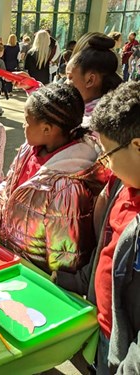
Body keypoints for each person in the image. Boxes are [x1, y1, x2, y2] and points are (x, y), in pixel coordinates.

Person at [54, 81, 140, 374]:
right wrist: (72, 281)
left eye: (107, 154)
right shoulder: (122, 185)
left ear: (137, 145)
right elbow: (106, 251)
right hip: (104, 329)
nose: (104, 164)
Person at [0, 83, 109, 273]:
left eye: (27, 121)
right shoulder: (28, 150)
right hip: (10, 261)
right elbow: (8, 184)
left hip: (33, 276)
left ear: (47, 129)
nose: (23, 126)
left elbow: (64, 257)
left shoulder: (67, 185)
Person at [66, 34, 122, 128]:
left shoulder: (92, 121)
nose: (65, 83)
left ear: (90, 80)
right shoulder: (111, 108)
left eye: (70, 77)